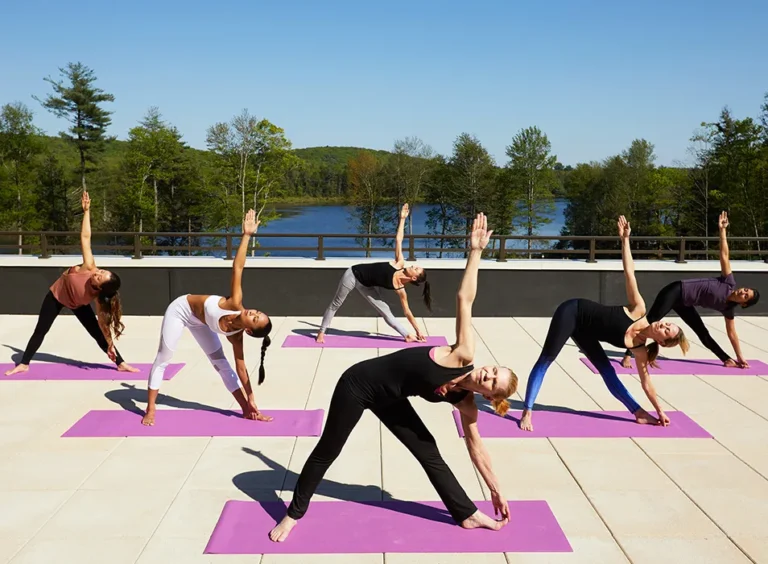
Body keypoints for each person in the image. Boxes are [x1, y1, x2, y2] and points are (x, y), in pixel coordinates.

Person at [269, 213, 517, 543]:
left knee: (429, 452)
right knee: (329, 449)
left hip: (390, 398)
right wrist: (475, 253)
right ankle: (293, 515)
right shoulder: (464, 356)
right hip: (357, 385)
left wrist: (496, 490)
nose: (487, 374)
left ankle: (466, 513)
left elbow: (478, 451)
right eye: (494, 369)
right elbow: (465, 299)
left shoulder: (467, 404)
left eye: (492, 382)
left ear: (489, 395)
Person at [519, 216, 691, 432]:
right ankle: (527, 410)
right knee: (546, 359)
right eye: (667, 324)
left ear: (662, 342)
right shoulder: (638, 309)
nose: (663, 326)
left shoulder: (639, 351)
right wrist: (625, 240)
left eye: (666, 331)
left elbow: (647, 383)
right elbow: (630, 273)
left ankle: (638, 413)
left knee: (608, 372)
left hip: (586, 334)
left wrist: (660, 410)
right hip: (572, 311)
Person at [141, 209, 272, 426]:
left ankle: (245, 410)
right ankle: (150, 407)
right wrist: (247, 235)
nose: (253, 312)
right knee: (164, 357)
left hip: (202, 324)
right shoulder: (235, 303)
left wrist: (251, 399)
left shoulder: (236, 337)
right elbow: (238, 267)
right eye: (258, 312)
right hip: (181, 310)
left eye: (255, 319)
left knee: (222, 365)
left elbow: (241, 368)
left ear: (249, 330)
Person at [5, 191, 136, 376]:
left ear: (99, 288)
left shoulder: (97, 297)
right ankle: (24, 363)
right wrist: (86, 212)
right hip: (57, 296)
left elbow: (103, 326)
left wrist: (111, 346)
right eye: (102, 271)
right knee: (41, 329)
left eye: (100, 276)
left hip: (77, 303)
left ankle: (120, 363)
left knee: (96, 333)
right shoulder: (89, 265)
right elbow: (85, 238)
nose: (97, 272)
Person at [620, 211, 759, 370]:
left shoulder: (728, 309)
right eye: (745, 290)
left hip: (685, 303)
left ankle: (726, 359)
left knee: (702, 332)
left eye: (745, 296)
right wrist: (722, 230)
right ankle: (628, 354)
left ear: (744, 304)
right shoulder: (729, 282)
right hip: (675, 291)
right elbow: (724, 255)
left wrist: (740, 356)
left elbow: (732, 334)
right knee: (650, 321)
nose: (742, 292)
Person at [316, 203, 430, 343]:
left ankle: (406, 335)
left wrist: (418, 331)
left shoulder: (401, 290)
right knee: (336, 303)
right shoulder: (399, 263)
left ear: (413, 277)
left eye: (416, 268)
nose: (413, 265)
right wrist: (402, 219)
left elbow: (407, 312)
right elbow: (399, 239)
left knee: (385, 311)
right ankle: (321, 332)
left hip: (367, 286)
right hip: (353, 274)